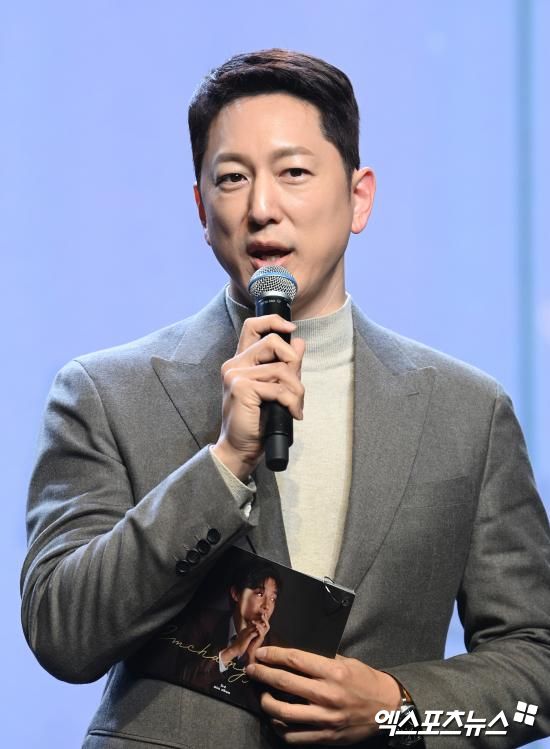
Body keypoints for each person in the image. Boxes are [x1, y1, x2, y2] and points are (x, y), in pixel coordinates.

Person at [21, 49, 550, 749]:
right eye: (232, 178)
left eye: (294, 172)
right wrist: (224, 463)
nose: (262, 208)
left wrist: (400, 709)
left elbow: (536, 662)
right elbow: (62, 633)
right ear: (201, 207)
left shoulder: (467, 412)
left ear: (359, 197)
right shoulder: (105, 391)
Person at [130, 558, 282, 713]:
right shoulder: (203, 622)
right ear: (236, 593)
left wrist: (252, 659)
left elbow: (264, 710)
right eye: (259, 593)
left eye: (272, 598)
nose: (267, 606)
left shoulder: (275, 646)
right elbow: (182, 680)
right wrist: (233, 650)